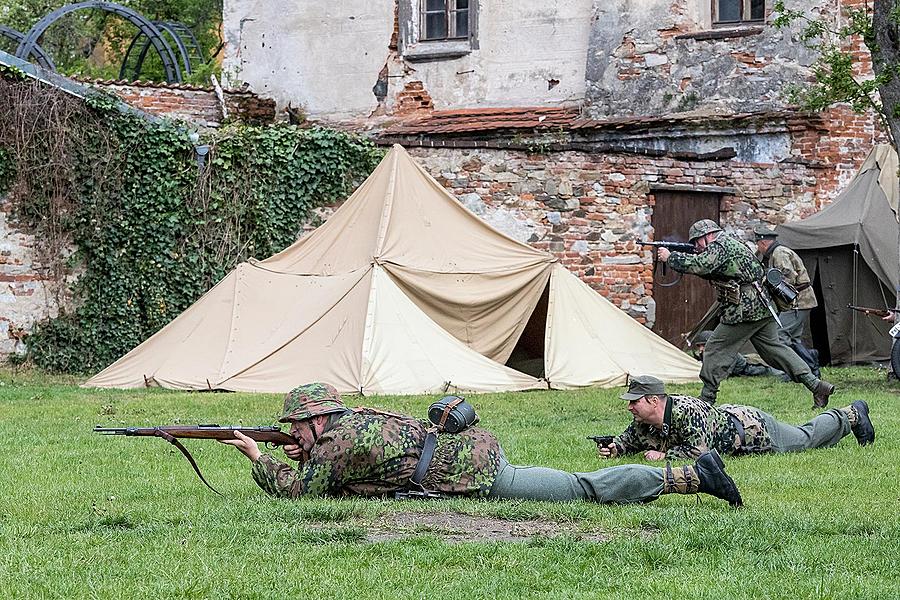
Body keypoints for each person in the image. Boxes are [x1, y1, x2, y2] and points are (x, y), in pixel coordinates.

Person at [221, 382, 743, 507]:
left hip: (476, 473)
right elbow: (346, 462)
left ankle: (695, 476)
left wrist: (258, 457)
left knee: (583, 489)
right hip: (469, 454)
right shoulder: (350, 424)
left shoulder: (336, 443)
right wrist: (306, 452)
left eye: (297, 427)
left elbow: (300, 491)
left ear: (317, 419)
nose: (293, 434)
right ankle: (691, 477)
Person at [656, 219, 835, 408]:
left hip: (745, 309)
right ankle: (816, 386)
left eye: (697, 241)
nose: (696, 246)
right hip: (761, 307)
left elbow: (702, 265)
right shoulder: (729, 243)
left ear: (708, 235)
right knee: (775, 351)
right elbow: (713, 269)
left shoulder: (721, 245)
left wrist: (671, 258)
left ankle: (706, 400)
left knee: (715, 348)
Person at [594, 375, 874, 461]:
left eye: (635, 402)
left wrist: (664, 456)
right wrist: (614, 448)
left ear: (653, 401)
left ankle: (850, 414)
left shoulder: (686, 410)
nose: (630, 408)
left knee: (803, 439)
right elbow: (630, 439)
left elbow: (700, 451)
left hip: (753, 430)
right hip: (732, 422)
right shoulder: (644, 420)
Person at [753, 225, 821, 378]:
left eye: (758, 244)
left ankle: (788, 371)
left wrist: (767, 282)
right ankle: (811, 365)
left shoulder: (780, 253)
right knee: (794, 339)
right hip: (798, 301)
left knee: (780, 334)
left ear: (763, 243)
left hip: (797, 302)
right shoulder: (776, 253)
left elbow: (787, 277)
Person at [691, 330, 787, 379]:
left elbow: (727, 371)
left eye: (703, 345)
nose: (701, 349)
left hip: (752, 368)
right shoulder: (707, 353)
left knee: (777, 373)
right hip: (745, 367)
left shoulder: (726, 352)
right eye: (699, 346)